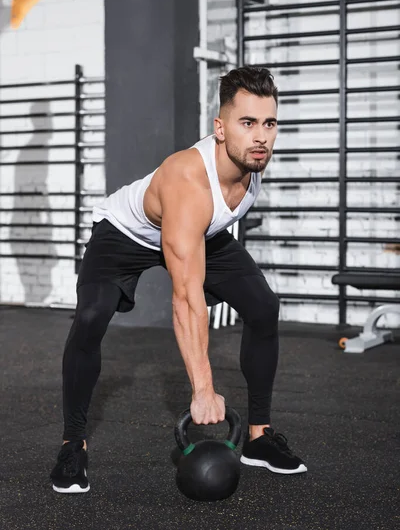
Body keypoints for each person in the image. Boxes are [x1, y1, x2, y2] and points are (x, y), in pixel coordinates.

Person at [50, 66, 307, 494]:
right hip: (124, 235)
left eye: (269, 123)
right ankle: (72, 443)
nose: (261, 136)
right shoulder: (189, 179)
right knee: (91, 319)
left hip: (196, 232)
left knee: (263, 307)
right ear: (220, 129)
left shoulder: (252, 162)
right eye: (248, 123)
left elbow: (200, 240)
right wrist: (203, 389)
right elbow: (186, 298)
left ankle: (258, 439)